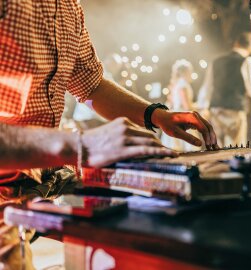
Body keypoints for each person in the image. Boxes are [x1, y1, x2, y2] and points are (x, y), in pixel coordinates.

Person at [0, 1, 217, 268]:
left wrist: (155, 114)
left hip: (33, 174)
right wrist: (81, 145)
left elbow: (91, 86)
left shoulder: (69, 6)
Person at [197, 32, 251, 146]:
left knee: (218, 149)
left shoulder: (216, 61)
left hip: (216, 110)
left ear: (236, 43)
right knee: (237, 149)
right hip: (235, 110)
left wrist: (204, 108)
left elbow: (207, 87)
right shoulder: (247, 61)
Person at [162, 59, 200, 152]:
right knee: (189, 148)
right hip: (182, 117)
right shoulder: (183, 84)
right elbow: (187, 106)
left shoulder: (176, 84)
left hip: (175, 115)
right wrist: (200, 107)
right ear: (186, 71)